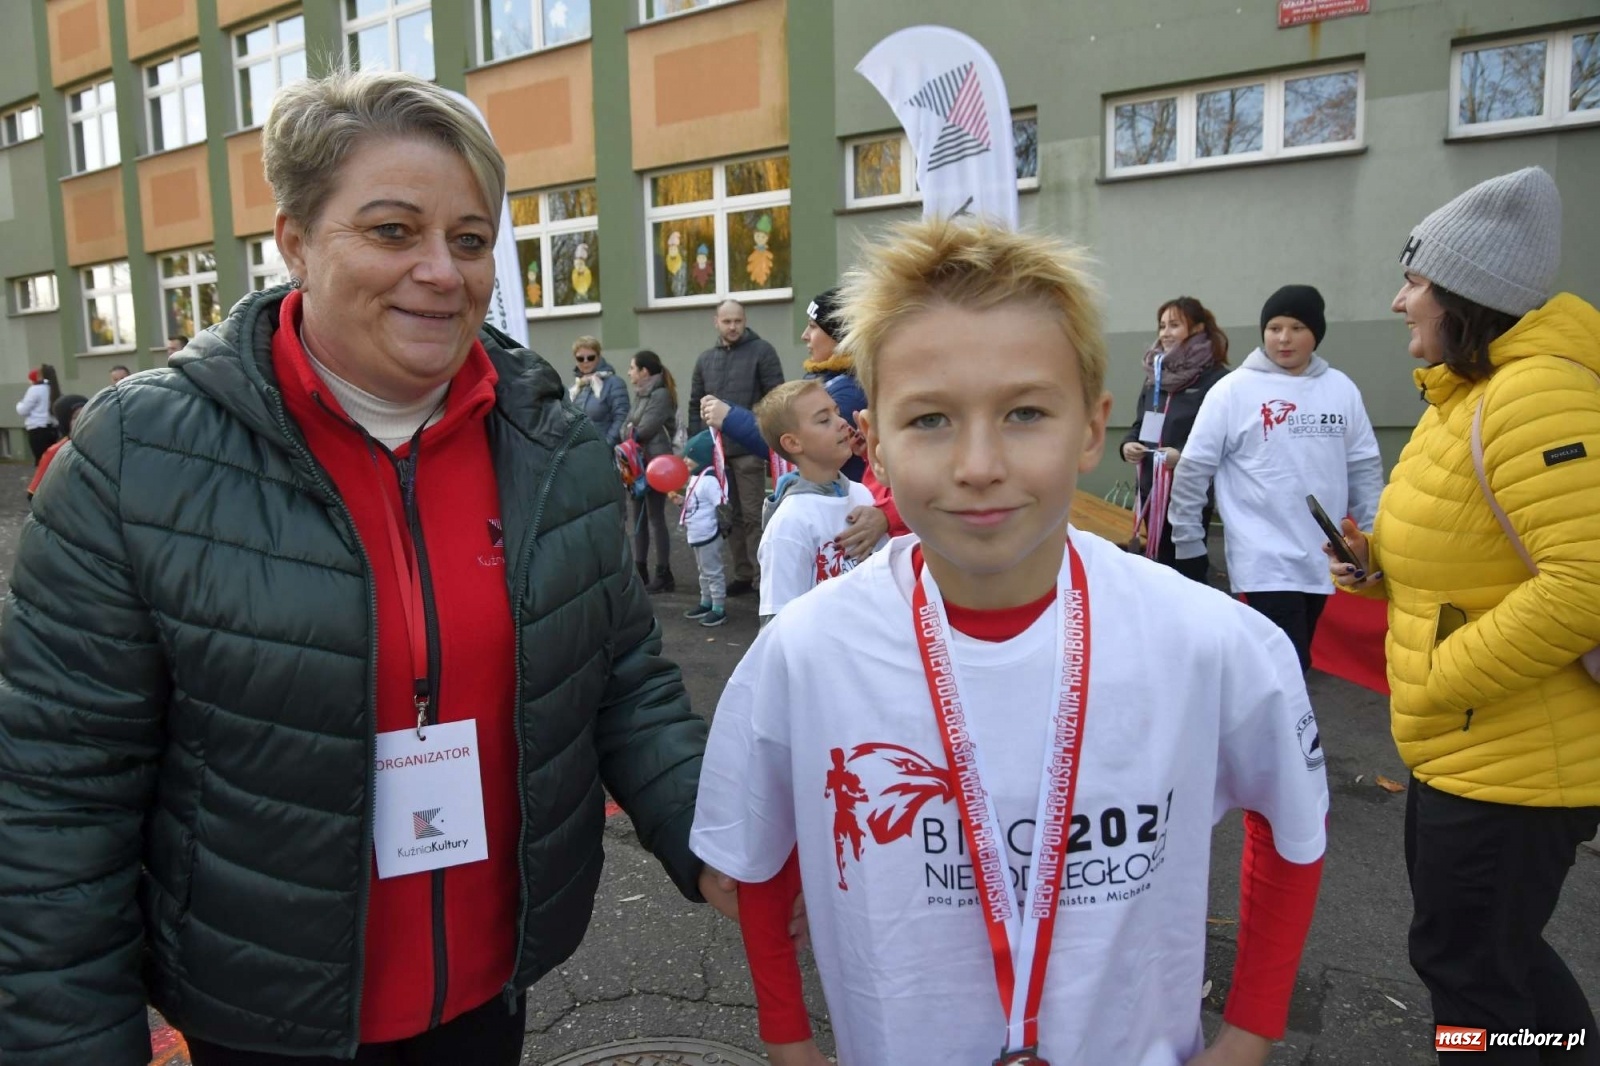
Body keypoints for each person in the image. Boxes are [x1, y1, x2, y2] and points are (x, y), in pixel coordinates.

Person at [0, 68, 724, 1066]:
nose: (442, 270)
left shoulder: (544, 437)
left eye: (469, 241)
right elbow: (54, 792)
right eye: (393, 231)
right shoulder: (139, 458)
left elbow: (620, 679)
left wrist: (710, 835)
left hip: (489, 990)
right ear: (294, 239)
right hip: (262, 1015)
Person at [692, 218, 1328, 1066]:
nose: (980, 464)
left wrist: (1249, 1033)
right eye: (930, 421)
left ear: (1093, 429)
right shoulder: (806, 651)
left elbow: (1291, 825)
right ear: (873, 439)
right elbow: (756, 850)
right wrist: (788, 1041)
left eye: (1026, 412)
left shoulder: (1208, 641)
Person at [1329, 166, 1600, 1064]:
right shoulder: (1465, 397)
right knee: (1484, 962)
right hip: (1466, 746)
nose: (1399, 298)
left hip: (1512, 762)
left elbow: (1587, 581)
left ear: (1467, 296)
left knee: (1475, 967)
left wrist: (1443, 674)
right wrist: (1373, 572)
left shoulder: (1537, 396)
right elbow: (1471, 559)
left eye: (1416, 282)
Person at [1167, 284, 1384, 672]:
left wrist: (1373, 538)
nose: (1284, 338)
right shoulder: (1233, 391)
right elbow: (1194, 469)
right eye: (1275, 327)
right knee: (1288, 666)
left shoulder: (1340, 388)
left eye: (1297, 327)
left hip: (1325, 559)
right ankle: (1290, 733)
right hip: (1263, 559)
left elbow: (1364, 467)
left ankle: (1279, 731)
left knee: (1291, 668)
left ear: (1315, 333)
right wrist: (1188, 543)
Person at [700, 288, 889, 562]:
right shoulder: (833, 379)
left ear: (840, 335)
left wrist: (730, 418)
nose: (804, 336)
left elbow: (793, 440)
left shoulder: (847, 391)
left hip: (845, 518)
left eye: (813, 327)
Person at [752, 379, 877, 625]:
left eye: (837, 412)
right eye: (824, 420)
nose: (842, 423)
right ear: (793, 443)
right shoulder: (789, 525)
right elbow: (777, 623)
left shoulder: (863, 494)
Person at [1119, 296, 1230, 569]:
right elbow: (1140, 425)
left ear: (1196, 329)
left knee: (1187, 571)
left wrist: (1182, 456)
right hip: (1150, 489)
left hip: (1189, 494)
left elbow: (1223, 440)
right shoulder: (1155, 376)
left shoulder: (1217, 380)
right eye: (1162, 326)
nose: (1165, 333)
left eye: (1174, 325)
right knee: (1157, 566)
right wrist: (1129, 445)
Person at [687, 299, 785, 596]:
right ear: (715, 321)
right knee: (729, 516)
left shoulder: (762, 351)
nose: (732, 327)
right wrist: (696, 450)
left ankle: (763, 577)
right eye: (726, 321)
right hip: (717, 454)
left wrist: (769, 441)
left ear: (745, 321)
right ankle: (743, 573)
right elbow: (695, 405)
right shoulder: (705, 360)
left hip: (750, 451)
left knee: (756, 516)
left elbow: (776, 398)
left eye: (737, 321)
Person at [623, 349, 680, 593]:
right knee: (638, 518)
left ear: (644, 371)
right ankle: (640, 569)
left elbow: (643, 429)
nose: (629, 372)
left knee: (656, 518)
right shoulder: (640, 394)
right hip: (636, 464)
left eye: (632, 368)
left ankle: (664, 572)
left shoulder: (660, 395)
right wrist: (629, 430)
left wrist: (630, 429)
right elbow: (625, 428)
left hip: (657, 464)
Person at [676, 430, 728, 628]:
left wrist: (722, 529)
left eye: (691, 456)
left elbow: (722, 505)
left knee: (713, 572)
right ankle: (706, 602)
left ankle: (718, 608)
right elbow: (695, 504)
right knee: (703, 571)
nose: (686, 460)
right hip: (697, 533)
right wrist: (681, 501)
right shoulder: (696, 478)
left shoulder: (709, 480)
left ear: (704, 457)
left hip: (708, 534)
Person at [567, 335, 629, 446]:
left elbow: (621, 418)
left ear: (599, 357)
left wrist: (606, 445)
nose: (585, 362)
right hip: (581, 453)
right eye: (580, 358)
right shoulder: (575, 388)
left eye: (590, 357)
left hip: (606, 453)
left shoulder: (614, 383)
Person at [26, 393, 89, 499]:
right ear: (65, 422)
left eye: (87, 414)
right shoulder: (56, 452)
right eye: (76, 417)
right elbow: (33, 494)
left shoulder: (102, 443)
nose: (83, 420)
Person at [16, 364, 60, 466]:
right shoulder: (54, 388)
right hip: (52, 428)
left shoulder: (35, 389)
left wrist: (19, 404)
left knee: (41, 462)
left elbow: (23, 410)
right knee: (52, 462)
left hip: (37, 429)